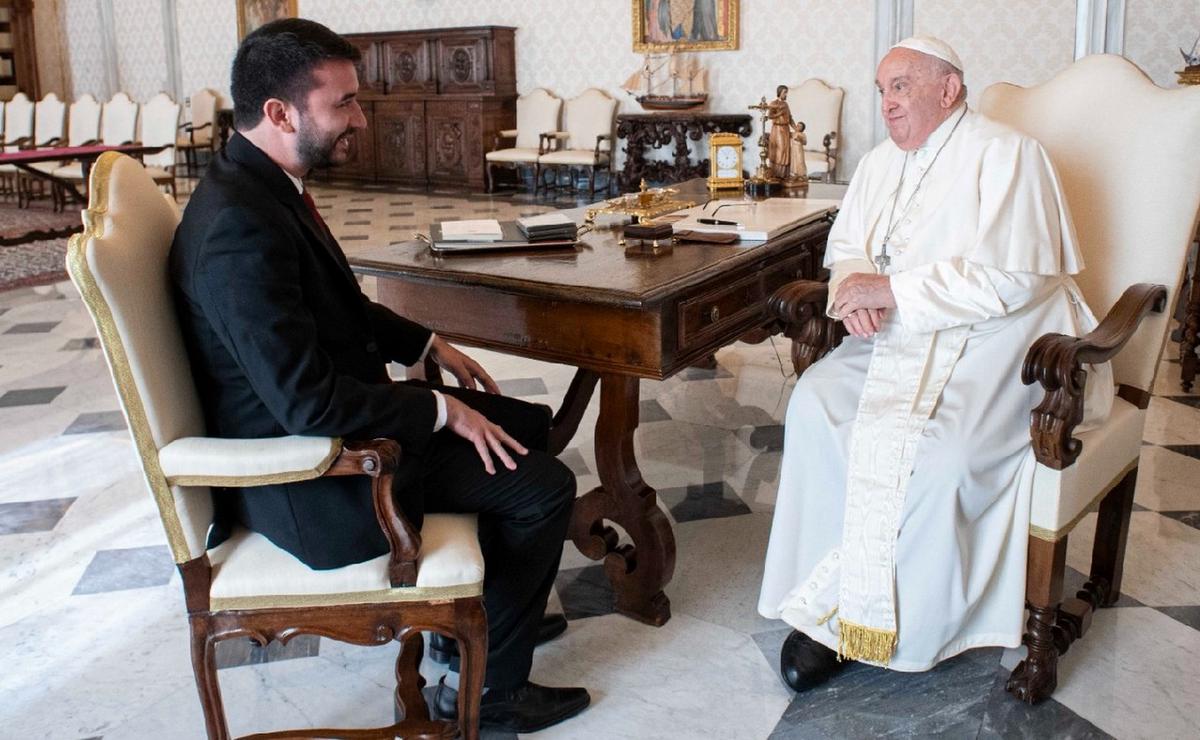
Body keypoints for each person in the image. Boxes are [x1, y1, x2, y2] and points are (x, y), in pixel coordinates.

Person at [169, 18, 590, 733]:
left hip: (336, 426)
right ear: (279, 112)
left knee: (527, 426)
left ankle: (485, 626)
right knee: (545, 486)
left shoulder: (258, 186)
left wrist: (428, 341)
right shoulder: (236, 229)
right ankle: (495, 694)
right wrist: (436, 410)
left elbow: (335, 304)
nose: (360, 120)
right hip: (315, 479)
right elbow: (306, 401)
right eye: (344, 104)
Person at [757, 36, 1114, 690]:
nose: (886, 104)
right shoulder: (878, 163)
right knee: (814, 405)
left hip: (1004, 344)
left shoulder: (1009, 155)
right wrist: (852, 295)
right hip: (899, 338)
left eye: (900, 87)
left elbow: (1014, 280)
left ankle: (913, 624)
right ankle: (829, 611)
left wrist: (890, 292)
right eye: (882, 91)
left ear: (948, 89)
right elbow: (851, 251)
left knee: (941, 451)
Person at [766, 85, 795, 181]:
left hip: (785, 129)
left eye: (786, 92)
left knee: (786, 150)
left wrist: (796, 129)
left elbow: (790, 118)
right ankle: (776, 173)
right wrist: (779, 113)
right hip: (777, 129)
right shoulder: (773, 103)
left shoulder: (786, 104)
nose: (786, 94)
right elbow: (770, 116)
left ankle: (784, 174)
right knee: (780, 150)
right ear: (779, 93)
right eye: (784, 92)